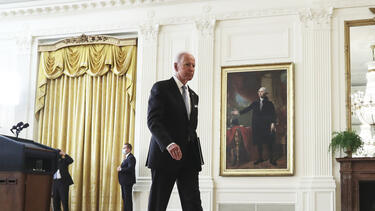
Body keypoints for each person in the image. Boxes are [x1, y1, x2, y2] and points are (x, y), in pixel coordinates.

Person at [146, 52, 203, 211]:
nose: (191, 69)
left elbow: (191, 127)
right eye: (187, 65)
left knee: (193, 204)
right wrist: (169, 143)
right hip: (165, 155)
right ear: (176, 66)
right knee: (158, 204)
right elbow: (153, 121)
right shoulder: (161, 88)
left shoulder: (194, 96)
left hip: (190, 158)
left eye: (193, 65)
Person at [232, 87, 277, 166]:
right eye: (259, 91)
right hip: (257, 126)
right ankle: (260, 158)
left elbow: (273, 114)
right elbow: (248, 109)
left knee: (269, 142)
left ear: (265, 93)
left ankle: (272, 159)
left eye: (262, 92)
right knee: (259, 142)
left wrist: (273, 123)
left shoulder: (270, 104)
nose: (260, 93)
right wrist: (239, 112)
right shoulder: (255, 103)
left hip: (266, 125)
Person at [117, 143, 136, 211]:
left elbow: (131, 168)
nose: (123, 149)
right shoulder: (127, 158)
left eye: (124, 148)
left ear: (129, 149)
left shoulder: (131, 158)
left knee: (127, 199)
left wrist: (121, 169)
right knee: (125, 199)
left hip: (127, 182)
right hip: (124, 182)